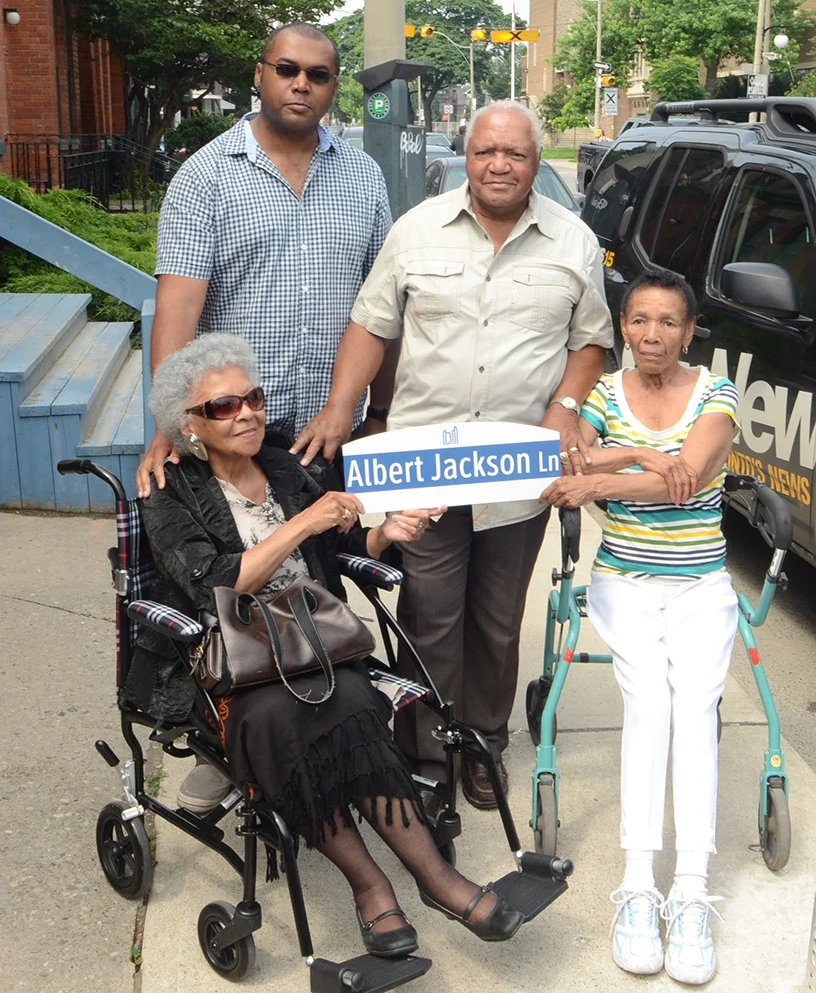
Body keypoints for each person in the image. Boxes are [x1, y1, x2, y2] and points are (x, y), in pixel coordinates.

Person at [125, 333, 526, 954]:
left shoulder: (283, 466)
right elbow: (213, 586)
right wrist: (303, 522)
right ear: (190, 426)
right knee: (293, 720)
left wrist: (384, 533)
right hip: (235, 669)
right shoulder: (171, 491)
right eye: (224, 407)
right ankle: (371, 888)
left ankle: (433, 879)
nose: (248, 414)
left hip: (319, 647)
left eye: (252, 399)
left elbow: (337, 550)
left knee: (357, 707)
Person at [293, 100, 614, 809]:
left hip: (515, 470)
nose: (499, 164)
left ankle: (486, 744)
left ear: (535, 162)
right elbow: (371, 325)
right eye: (486, 151)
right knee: (430, 613)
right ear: (468, 156)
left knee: (498, 620)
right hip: (425, 466)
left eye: (516, 154)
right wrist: (342, 410)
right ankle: (429, 753)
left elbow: (590, 339)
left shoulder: (573, 241)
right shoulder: (416, 231)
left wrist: (566, 409)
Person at [545, 270, 739, 985]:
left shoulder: (716, 395)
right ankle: (637, 885)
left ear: (689, 332)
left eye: (667, 322)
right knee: (649, 705)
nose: (651, 335)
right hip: (624, 582)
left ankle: (689, 891)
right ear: (622, 327)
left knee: (694, 710)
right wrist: (627, 452)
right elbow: (560, 459)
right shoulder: (603, 395)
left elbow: (686, 473)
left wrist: (596, 482)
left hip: (700, 584)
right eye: (638, 321)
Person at [135, 22, 394, 500]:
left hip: (329, 431)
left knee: (325, 567)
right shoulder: (204, 177)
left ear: (334, 87)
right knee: (244, 573)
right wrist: (168, 426)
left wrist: (378, 414)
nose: (301, 84)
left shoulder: (364, 178)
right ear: (260, 75)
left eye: (318, 75)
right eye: (287, 69)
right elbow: (177, 311)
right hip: (232, 432)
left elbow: (384, 306)